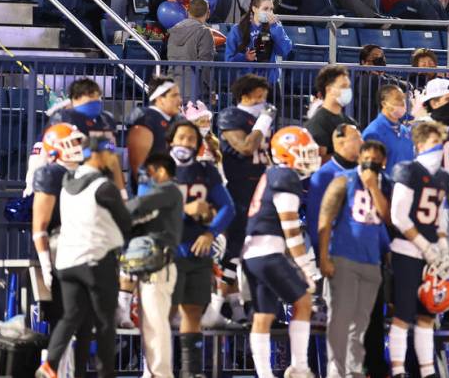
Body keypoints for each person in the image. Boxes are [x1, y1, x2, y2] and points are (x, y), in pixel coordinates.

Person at [35, 133, 129, 378]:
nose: (113, 158)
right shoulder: (104, 187)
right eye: (109, 153)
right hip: (96, 261)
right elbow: (126, 222)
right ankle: (105, 373)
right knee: (105, 322)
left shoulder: (67, 182)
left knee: (75, 317)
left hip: (68, 262)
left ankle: (51, 364)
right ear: (98, 156)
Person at [243, 126, 321, 378]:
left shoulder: (273, 173)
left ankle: (265, 375)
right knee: (304, 301)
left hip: (252, 253)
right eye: (302, 151)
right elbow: (290, 228)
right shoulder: (285, 177)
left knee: (264, 315)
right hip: (268, 252)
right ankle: (299, 367)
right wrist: (307, 268)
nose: (308, 156)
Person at [318, 140, 392, 378]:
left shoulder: (385, 183)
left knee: (360, 324)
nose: (371, 161)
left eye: (376, 158)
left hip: (371, 261)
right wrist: (323, 257)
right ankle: (336, 372)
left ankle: (354, 371)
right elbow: (325, 219)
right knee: (341, 319)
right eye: (367, 156)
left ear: (384, 162)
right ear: (359, 158)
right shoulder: (344, 179)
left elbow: (388, 218)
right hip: (343, 257)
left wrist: (373, 187)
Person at [167, 117, 234, 376]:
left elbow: (228, 207)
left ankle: (189, 370)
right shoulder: (156, 168)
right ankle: (155, 369)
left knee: (193, 310)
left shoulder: (206, 170)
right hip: (167, 249)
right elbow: (148, 209)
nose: (186, 143)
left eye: (191, 139)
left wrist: (210, 232)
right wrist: (185, 210)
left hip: (197, 249)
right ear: (170, 140)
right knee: (164, 312)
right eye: (181, 137)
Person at [387, 120, 449, 378]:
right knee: (403, 313)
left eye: (441, 144)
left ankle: (427, 371)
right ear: (420, 145)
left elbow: (441, 217)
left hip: (432, 253)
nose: (439, 149)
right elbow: (398, 216)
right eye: (434, 143)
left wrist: (443, 248)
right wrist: (425, 246)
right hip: (407, 250)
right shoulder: (407, 170)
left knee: (427, 314)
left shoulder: (442, 177)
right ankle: (399, 370)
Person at [122, 152, 184, 378]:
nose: (145, 177)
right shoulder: (165, 197)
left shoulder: (168, 190)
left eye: (149, 171)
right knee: (150, 325)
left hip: (160, 268)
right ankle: (152, 373)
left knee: (156, 326)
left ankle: (160, 374)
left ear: (161, 170)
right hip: (154, 268)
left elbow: (137, 205)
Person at [217, 74, 276, 261]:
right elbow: (247, 147)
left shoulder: (259, 119)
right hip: (240, 185)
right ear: (244, 96)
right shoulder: (231, 115)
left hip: (261, 183)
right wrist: (264, 121)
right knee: (236, 241)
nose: (263, 103)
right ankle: (227, 285)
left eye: (264, 98)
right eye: (258, 97)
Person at [306, 124, 363, 254]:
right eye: (356, 138)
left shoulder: (363, 172)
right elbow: (315, 219)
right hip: (338, 251)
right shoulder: (323, 176)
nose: (362, 142)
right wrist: (323, 254)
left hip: (363, 252)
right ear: (341, 143)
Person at [223, 0, 292, 86]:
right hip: (246, 84)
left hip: (269, 83)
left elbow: (285, 50)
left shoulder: (275, 27)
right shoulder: (237, 29)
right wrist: (245, 57)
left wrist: (275, 28)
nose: (269, 13)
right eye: (265, 9)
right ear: (254, 9)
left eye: (271, 9)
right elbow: (228, 60)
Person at [126, 75, 183, 181]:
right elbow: (139, 168)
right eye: (174, 96)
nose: (180, 100)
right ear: (160, 99)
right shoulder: (146, 120)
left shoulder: (178, 120)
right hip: (153, 190)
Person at [167, 0, 216, 101]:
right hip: (195, 92)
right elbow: (206, 64)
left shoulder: (173, 31)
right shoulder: (205, 32)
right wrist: (211, 89)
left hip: (173, 89)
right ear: (208, 13)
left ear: (187, 11)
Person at [307, 65, 358, 160]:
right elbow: (318, 161)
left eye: (348, 87)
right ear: (329, 90)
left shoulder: (349, 121)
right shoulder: (318, 123)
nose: (347, 91)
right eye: (343, 86)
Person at [363, 84, 415, 175]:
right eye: (398, 99)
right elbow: (369, 172)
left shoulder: (405, 131)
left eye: (403, 98)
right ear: (384, 103)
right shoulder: (374, 132)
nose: (403, 103)